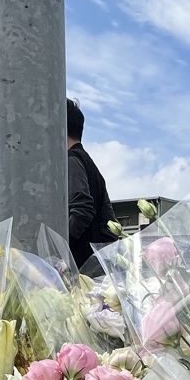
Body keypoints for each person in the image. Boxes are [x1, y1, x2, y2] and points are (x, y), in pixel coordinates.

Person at [66, 98, 114, 274]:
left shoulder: (71, 160)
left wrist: (59, 247)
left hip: (80, 269)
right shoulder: (91, 166)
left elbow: (82, 209)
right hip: (96, 270)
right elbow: (110, 224)